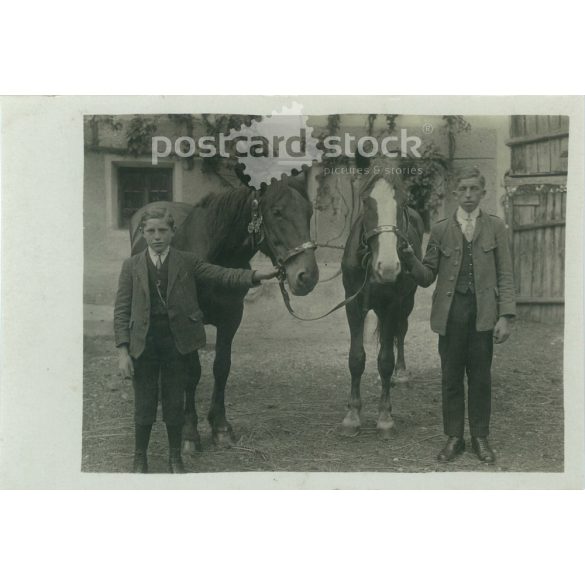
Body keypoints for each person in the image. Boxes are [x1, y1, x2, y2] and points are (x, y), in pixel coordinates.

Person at [114, 206, 278, 473]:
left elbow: (222, 274)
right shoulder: (131, 266)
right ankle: (139, 458)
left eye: (163, 231)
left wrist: (256, 275)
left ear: (173, 233)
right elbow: (121, 309)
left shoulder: (187, 261)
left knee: (174, 403)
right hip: (143, 345)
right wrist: (123, 351)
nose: (157, 237)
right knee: (143, 404)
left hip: (176, 344)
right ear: (142, 233)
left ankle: (175, 458)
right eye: (151, 231)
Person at [403, 167, 516, 464]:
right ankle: (455, 437)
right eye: (463, 189)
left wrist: (506, 316)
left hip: (483, 315)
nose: (468, 195)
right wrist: (408, 258)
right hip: (451, 316)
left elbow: (505, 274)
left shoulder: (495, 227)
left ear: (482, 192)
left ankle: (480, 437)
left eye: (473, 190)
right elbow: (427, 276)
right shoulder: (440, 230)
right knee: (451, 378)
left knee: (480, 378)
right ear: (455, 193)